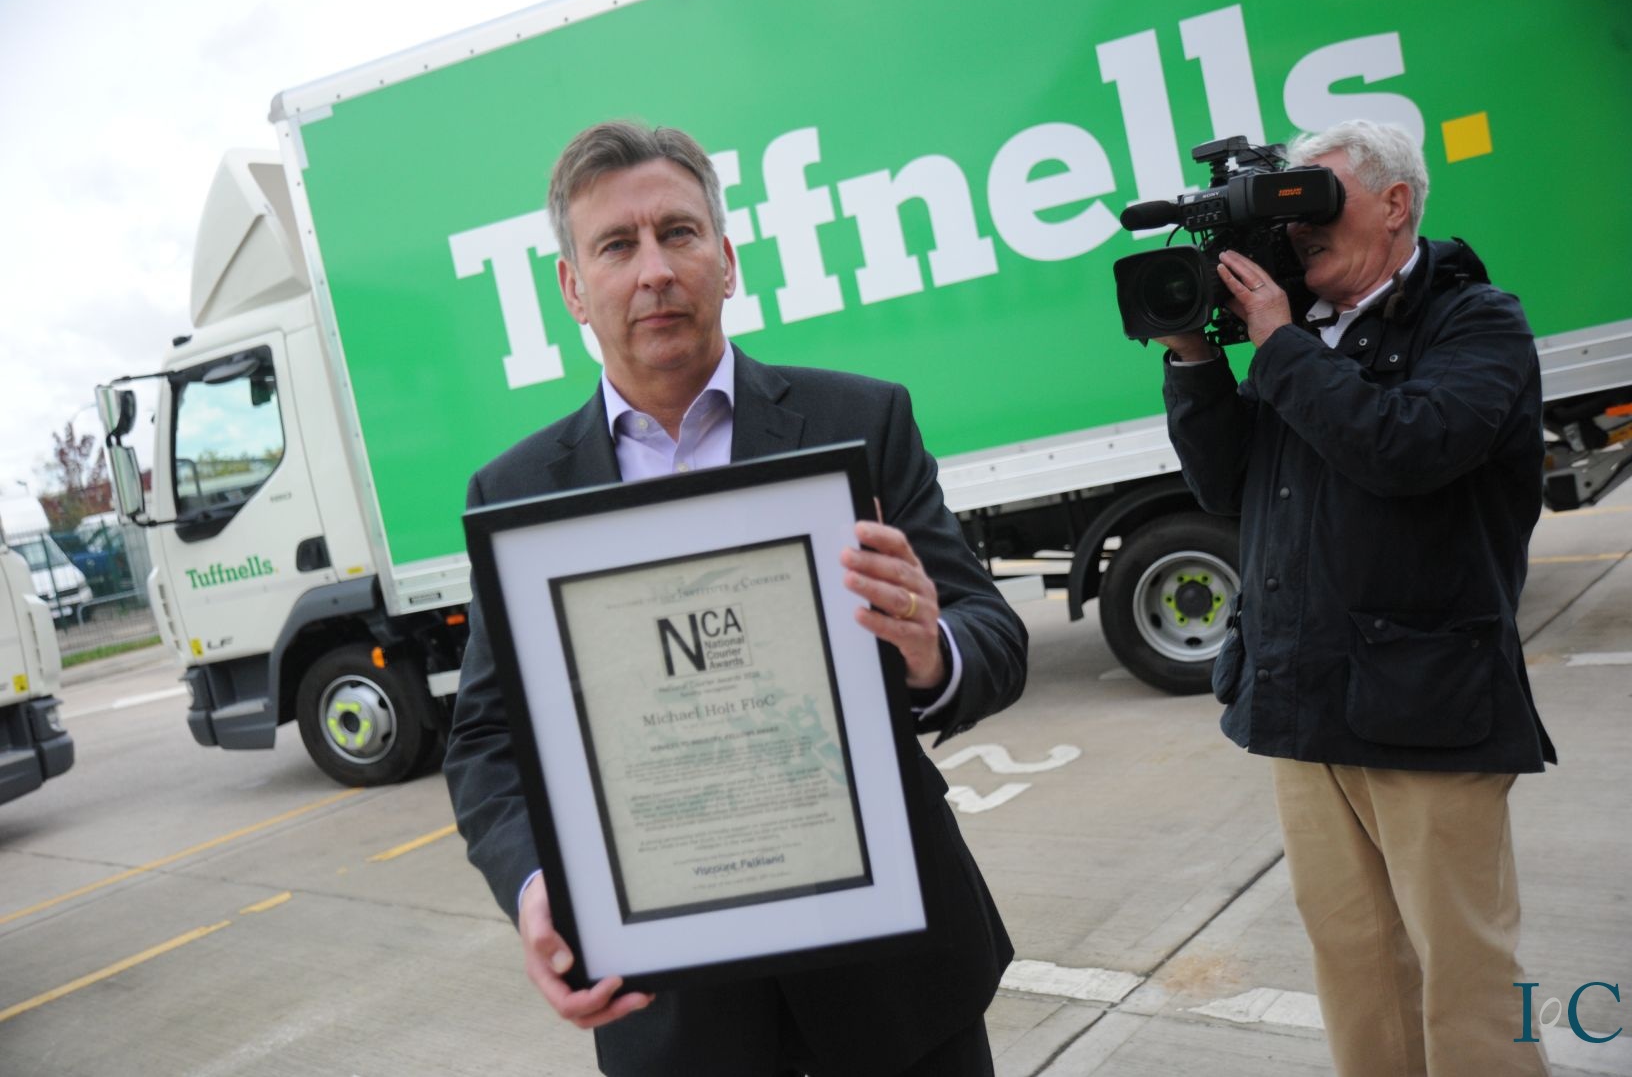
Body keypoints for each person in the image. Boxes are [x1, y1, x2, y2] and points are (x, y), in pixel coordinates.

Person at [444, 120, 1027, 1077]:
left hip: (896, 993)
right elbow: (483, 740)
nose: (654, 271)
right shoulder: (515, 494)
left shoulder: (860, 421)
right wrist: (536, 884)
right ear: (573, 288)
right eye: (616, 245)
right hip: (677, 1017)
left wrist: (931, 646)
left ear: (727, 257)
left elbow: (990, 635)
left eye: (678, 232)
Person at [1157, 120, 1553, 1077]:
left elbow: (1409, 447)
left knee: (1467, 974)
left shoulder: (1474, 321)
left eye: (1317, 200)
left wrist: (1280, 345)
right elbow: (1227, 486)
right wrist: (1196, 358)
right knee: (1355, 964)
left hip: (1427, 706)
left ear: (1395, 204)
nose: (1297, 227)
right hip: (1303, 703)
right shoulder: (1303, 336)